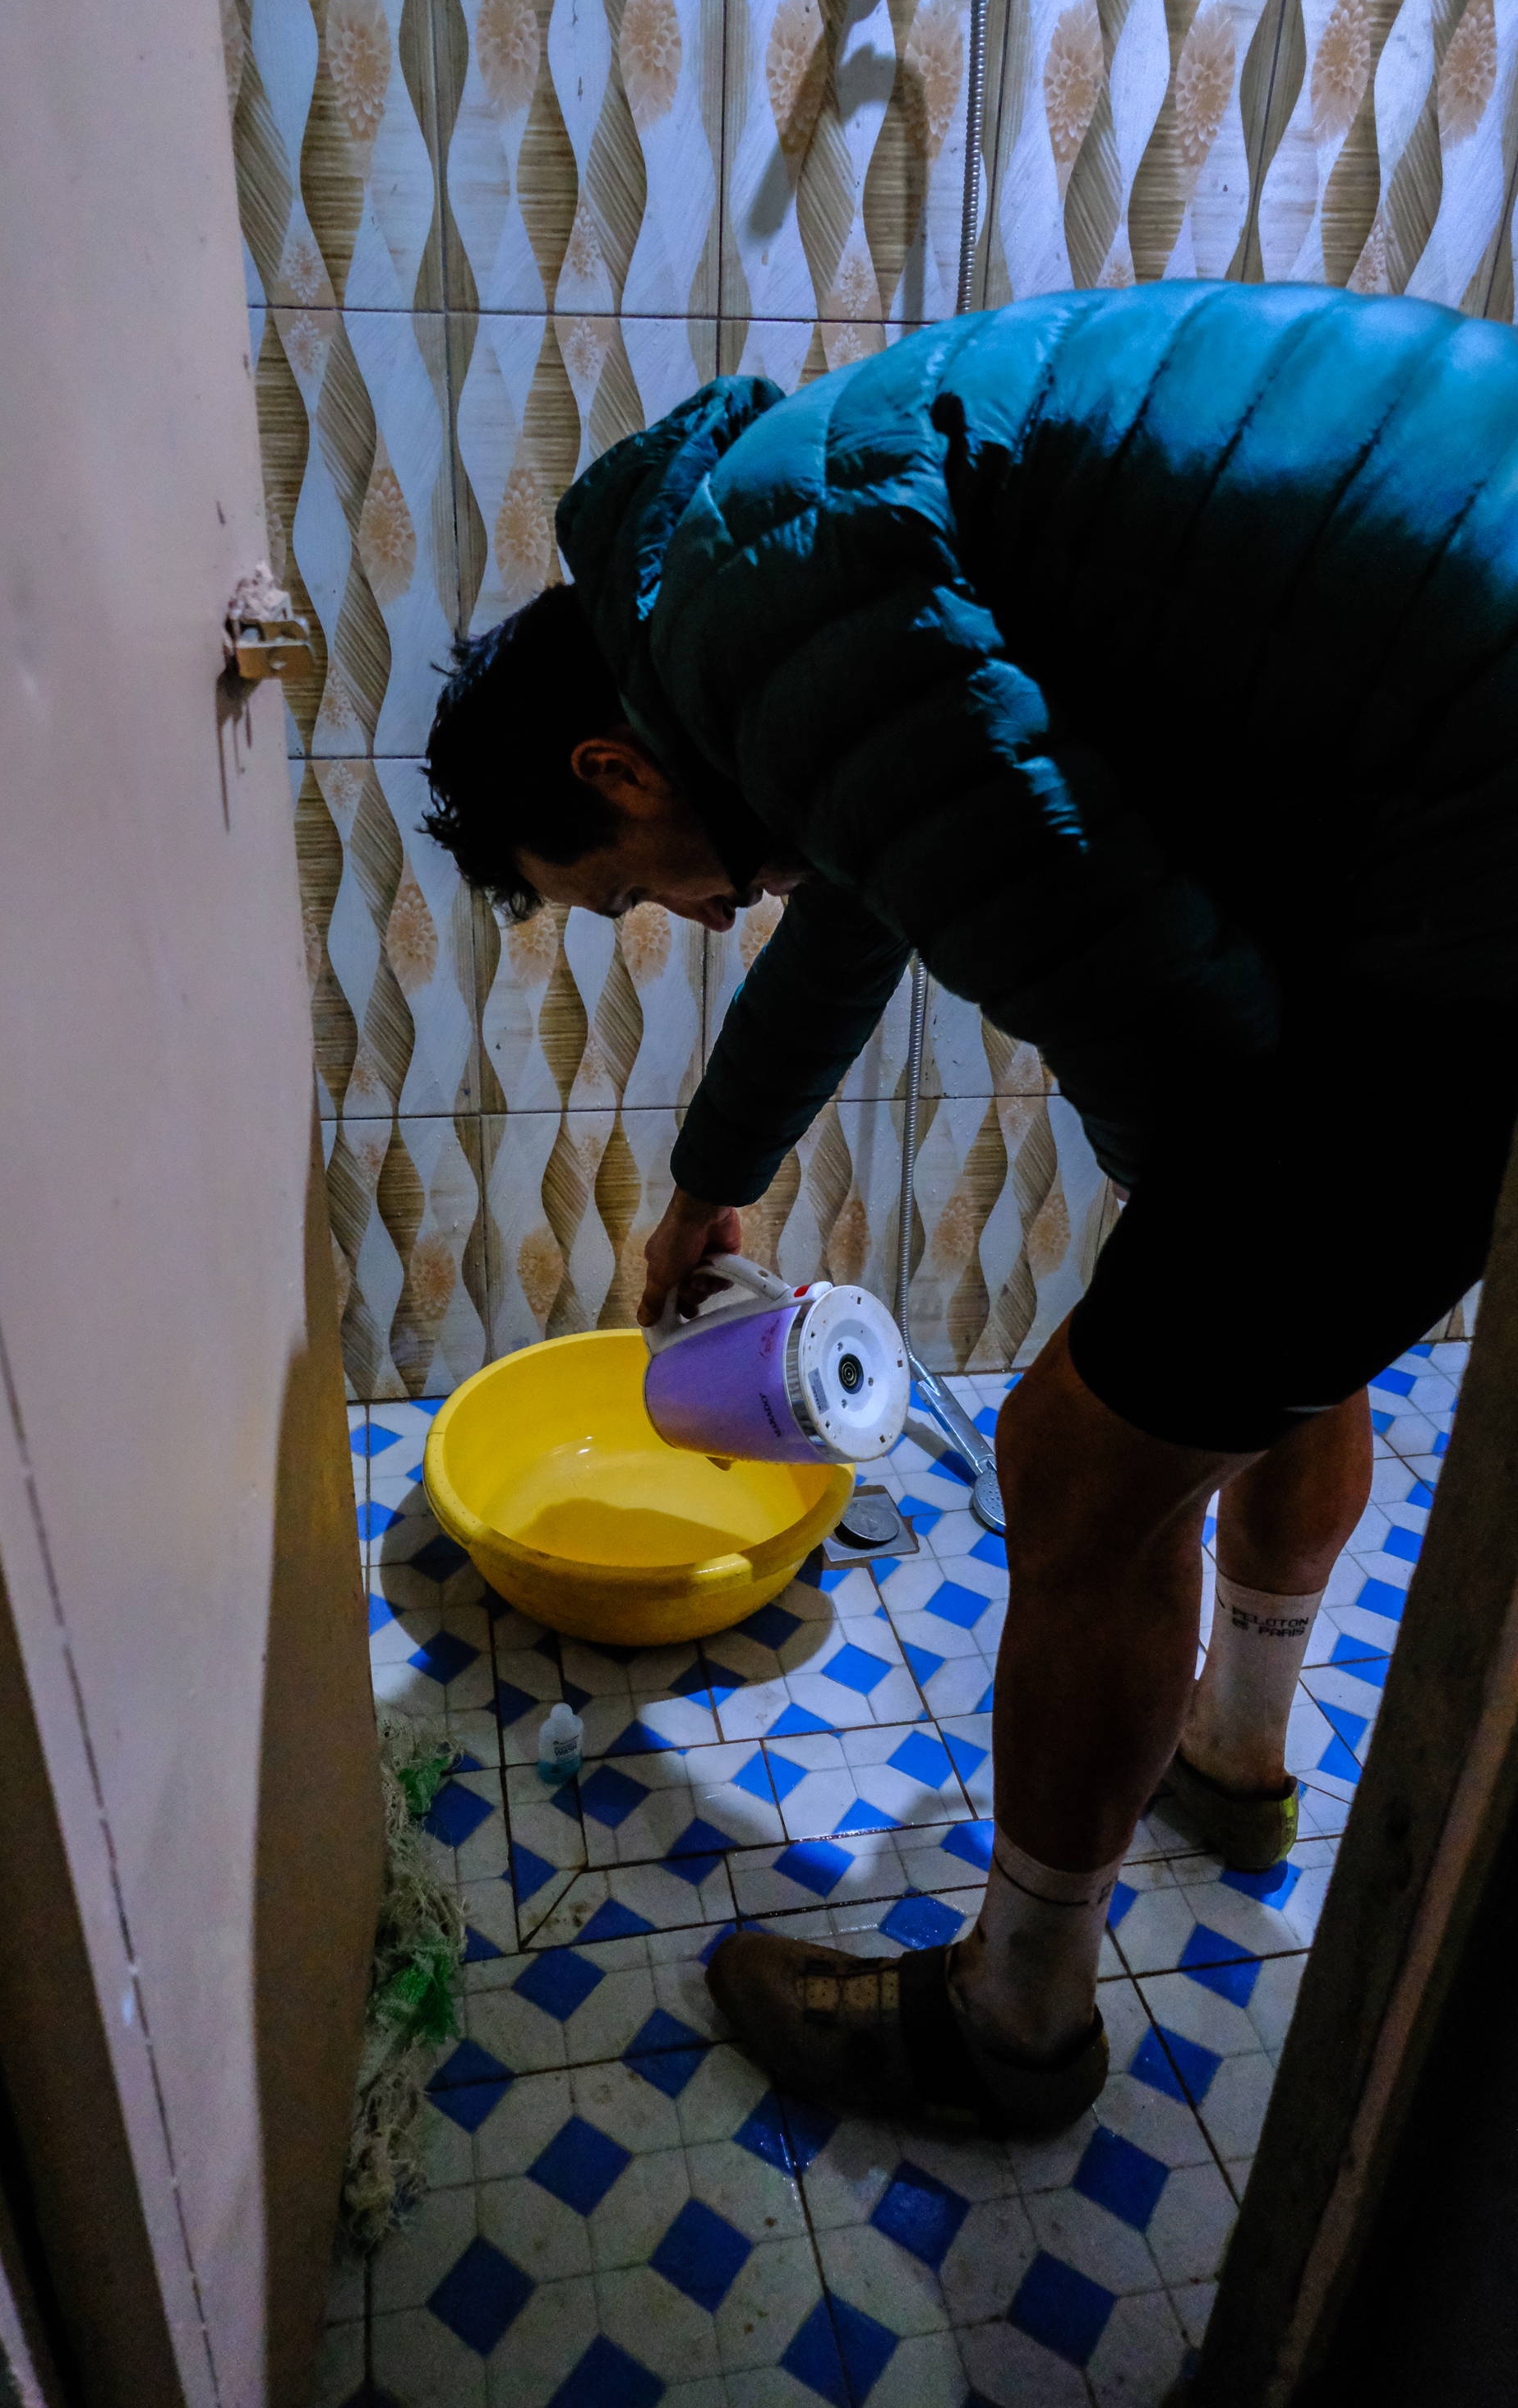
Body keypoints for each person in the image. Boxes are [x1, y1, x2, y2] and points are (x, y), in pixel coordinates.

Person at [422, 281, 1518, 2136]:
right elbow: (875, 898)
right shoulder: (762, 561)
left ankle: (1010, 2025)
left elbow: (1165, 1031)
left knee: (1085, 1455)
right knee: (1250, 1330)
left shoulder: (770, 612)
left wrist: (1184, 1286)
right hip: (1447, 727)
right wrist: (711, 1181)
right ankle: (1234, 1754)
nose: (688, 920)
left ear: (615, 771)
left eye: (621, 891)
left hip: (1473, 810)